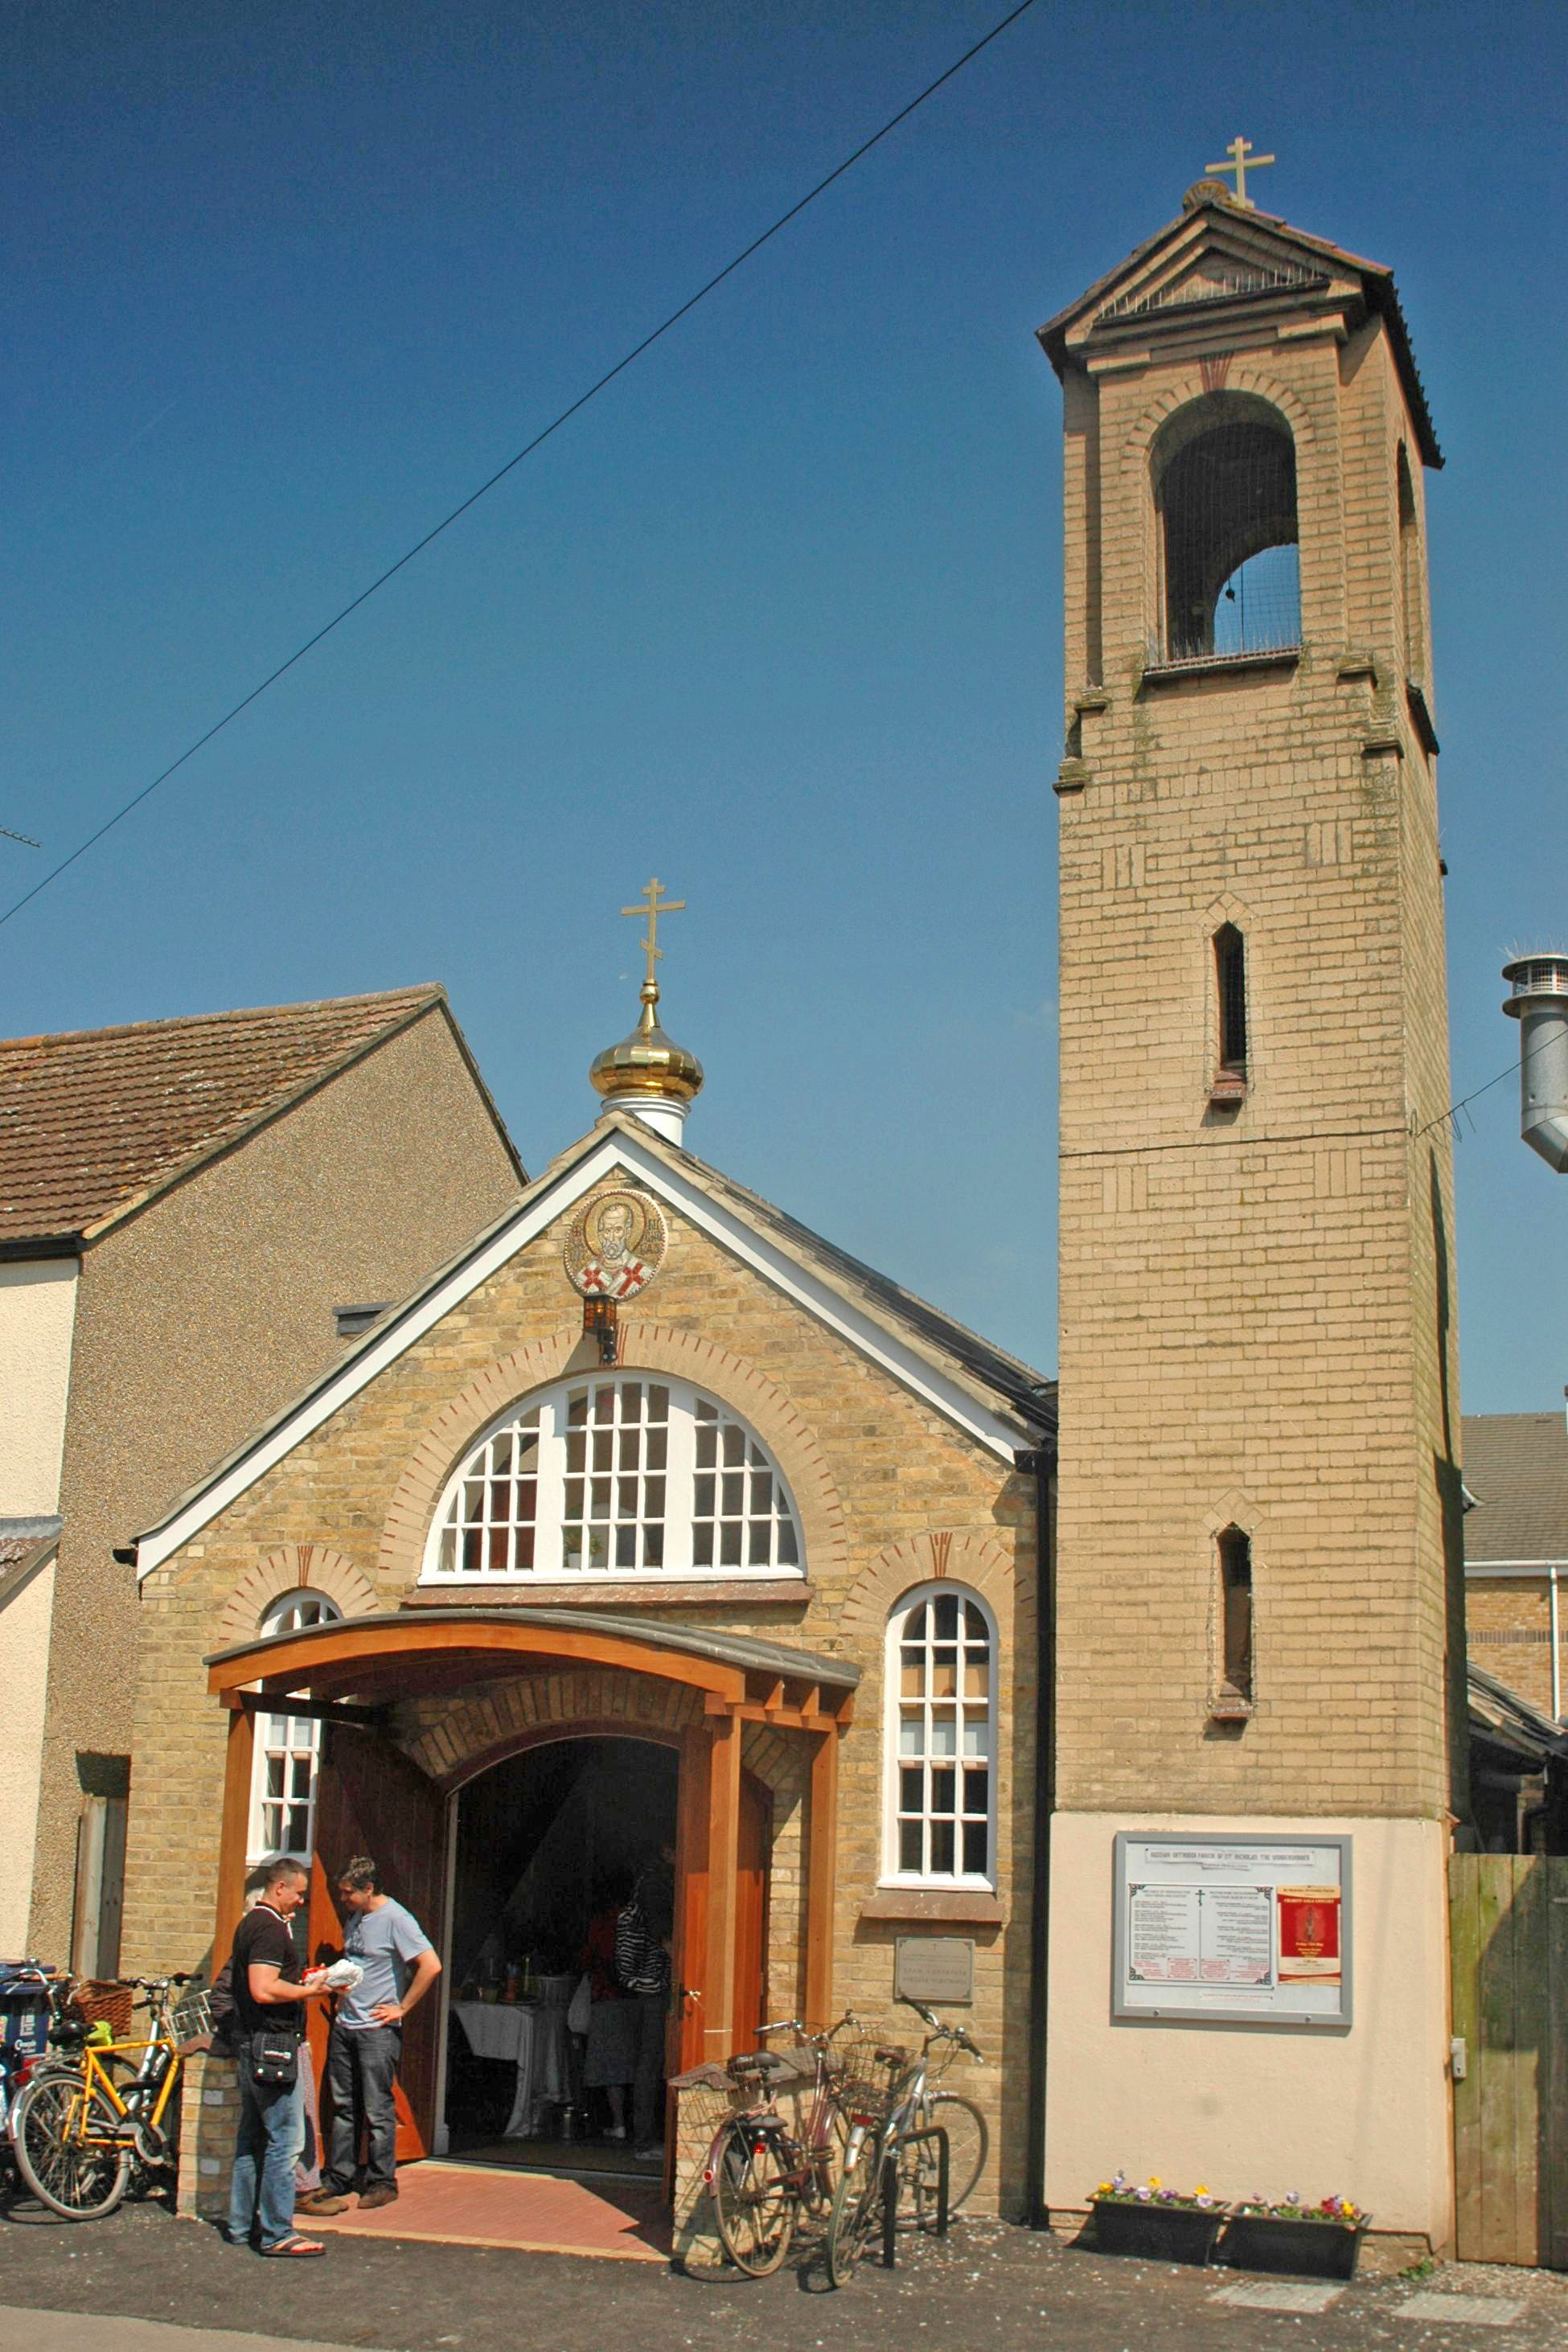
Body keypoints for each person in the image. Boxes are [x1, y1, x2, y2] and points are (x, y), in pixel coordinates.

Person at [298, 1854, 440, 2214]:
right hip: (346, 2024)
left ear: (369, 1888)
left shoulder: (396, 1919)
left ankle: (382, 2182)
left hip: (376, 2030)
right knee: (344, 2105)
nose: (343, 1899)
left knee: (378, 2108)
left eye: (348, 1893)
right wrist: (334, 1981)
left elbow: (430, 1965)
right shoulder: (357, 1917)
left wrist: (401, 2008)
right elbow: (358, 1965)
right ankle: (340, 2176)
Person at [225, 1853, 334, 2258]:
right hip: (271, 2043)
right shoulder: (269, 1928)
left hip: (250, 2040)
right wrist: (311, 1991)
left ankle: (241, 2226)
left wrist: (303, 1980)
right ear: (280, 1887)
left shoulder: (252, 1923)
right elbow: (263, 1987)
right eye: (299, 1894)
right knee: (286, 2141)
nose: (302, 1902)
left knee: (252, 2137)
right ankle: (277, 2232)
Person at [615, 1847, 674, 2161]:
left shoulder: (648, 1884)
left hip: (646, 1988)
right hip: (653, 1989)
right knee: (651, 2064)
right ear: (666, 1851)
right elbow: (663, 1936)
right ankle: (645, 2142)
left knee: (650, 2063)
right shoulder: (656, 1885)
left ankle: (646, 2139)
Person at [579, 1872, 634, 2140]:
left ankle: (618, 2123)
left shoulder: (603, 1923)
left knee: (611, 2068)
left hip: (608, 1999)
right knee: (635, 2065)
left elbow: (589, 1957)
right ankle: (637, 2125)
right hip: (636, 1999)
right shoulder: (635, 1920)